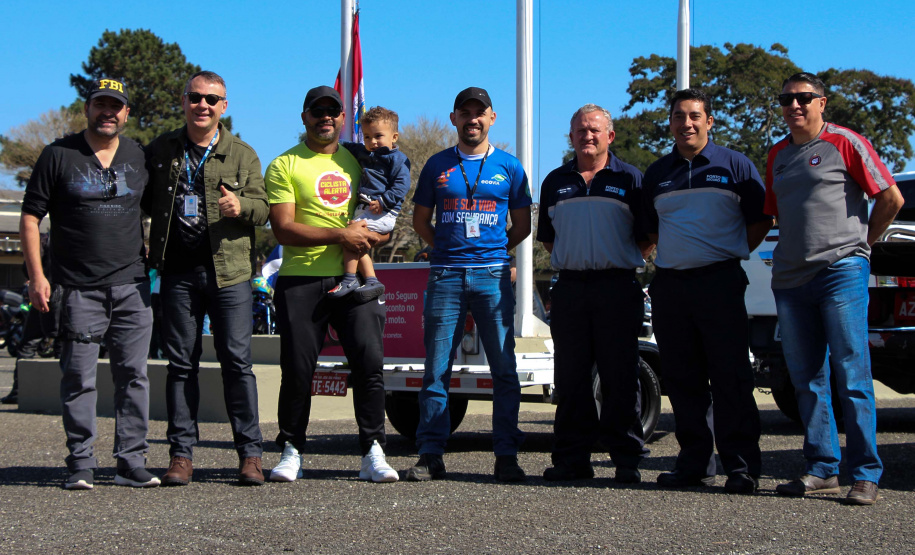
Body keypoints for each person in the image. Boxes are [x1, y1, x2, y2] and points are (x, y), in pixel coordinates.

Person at [766, 72, 903, 505]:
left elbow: (892, 198)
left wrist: (862, 243)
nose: (795, 106)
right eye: (787, 99)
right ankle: (822, 468)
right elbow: (774, 215)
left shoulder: (845, 142)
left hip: (841, 271)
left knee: (851, 372)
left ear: (822, 103)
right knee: (806, 378)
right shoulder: (776, 156)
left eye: (804, 98)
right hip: (790, 279)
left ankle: (865, 473)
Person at [21, 78, 159, 490]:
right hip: (76, 287)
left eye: (116, 106)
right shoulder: (58, 154)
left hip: (132, 286)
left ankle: (130, 462)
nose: (108, 112)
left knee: (134, 376)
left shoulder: (138, 154)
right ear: (87, 108)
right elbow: (31, 217)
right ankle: (80, 463)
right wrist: (36, 276)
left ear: (127, 114)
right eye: (101, 104)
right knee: (78, 377)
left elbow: (157, 208)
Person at [264, 85, 398, 483]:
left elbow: (382, 225)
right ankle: (291, 449)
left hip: (354, 279)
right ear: (304, 117)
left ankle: (373, 451)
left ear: (344, 118)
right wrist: (341, 236)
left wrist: (368, 237)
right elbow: (284, 229)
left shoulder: (361, 160)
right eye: (316, 111)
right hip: (300, 280)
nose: (325, 116)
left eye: (333, 111)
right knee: (298, 370)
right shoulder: (283, 165)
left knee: (369, 365)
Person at [642, 88, 773, 494]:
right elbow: (648, 230)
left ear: (709, 121)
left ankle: (741, 467)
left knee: (730, 377)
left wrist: (726, 252)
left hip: (720, 282)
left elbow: (761, 220)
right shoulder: (657, 173)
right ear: (671, 124)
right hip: (671, 286)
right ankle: (694, 463)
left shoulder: (736, 165)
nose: (687, 124)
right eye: (679, 117)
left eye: (695, 116)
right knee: (682, 380)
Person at [144, 70, 269, 486]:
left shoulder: (243, 154)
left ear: (224, 107)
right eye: (195, 97)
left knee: (237, 363)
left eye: (212, 100)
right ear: (184, 101)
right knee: (181, 364)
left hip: (229, 273)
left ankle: (250, 455)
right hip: (178, 273)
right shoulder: (161, 149)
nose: (203, 105)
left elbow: (264, 208)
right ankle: (181, 455)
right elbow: (140, 202)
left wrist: (242, 207)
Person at [407, 87, 532, 482]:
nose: (473, 119)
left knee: (504, 369)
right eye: (466, 112)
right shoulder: (437, 165)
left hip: (493, 276)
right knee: (436, 368)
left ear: (492, 118)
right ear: (454, 118)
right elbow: (420, 221)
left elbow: (524, 224)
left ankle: (506, 455)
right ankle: (430, 454)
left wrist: (495, 250)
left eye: (480, 113)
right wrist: (445, 248)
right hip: (445, 274)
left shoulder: (510, 167)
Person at [537, 104, 650, 483]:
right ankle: (572, 460)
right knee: (570, 379)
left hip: (618, 288)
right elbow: (550, 241)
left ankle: (626, 461)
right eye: (581, 130)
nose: (588, 135)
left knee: (620, 379)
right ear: (570, 137)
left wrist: (613, 260)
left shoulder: (632, 179)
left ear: (610, 136)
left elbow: (647, 238)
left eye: (595, 130)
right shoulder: (554, 181)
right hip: (570, 289)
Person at [329, 106, 411, 300]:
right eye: (366, 137)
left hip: (383, 212)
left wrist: (383, 201)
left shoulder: (398, 159)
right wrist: (333, 142)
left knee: (350, 238)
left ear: (394, 137)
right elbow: (344, 145)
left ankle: (349, 279)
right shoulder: (364, 151)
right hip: (366, 209)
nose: (372, 142)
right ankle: (372, 281)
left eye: (378, 136)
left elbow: (402, 186)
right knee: (358, 245)